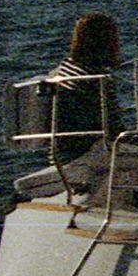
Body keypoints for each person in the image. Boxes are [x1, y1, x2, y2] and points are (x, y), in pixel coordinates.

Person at [50, 11, 121, 164]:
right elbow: (114, 129)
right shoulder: (96, 79)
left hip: (62, 154)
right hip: (92, 152)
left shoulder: (64, 70)